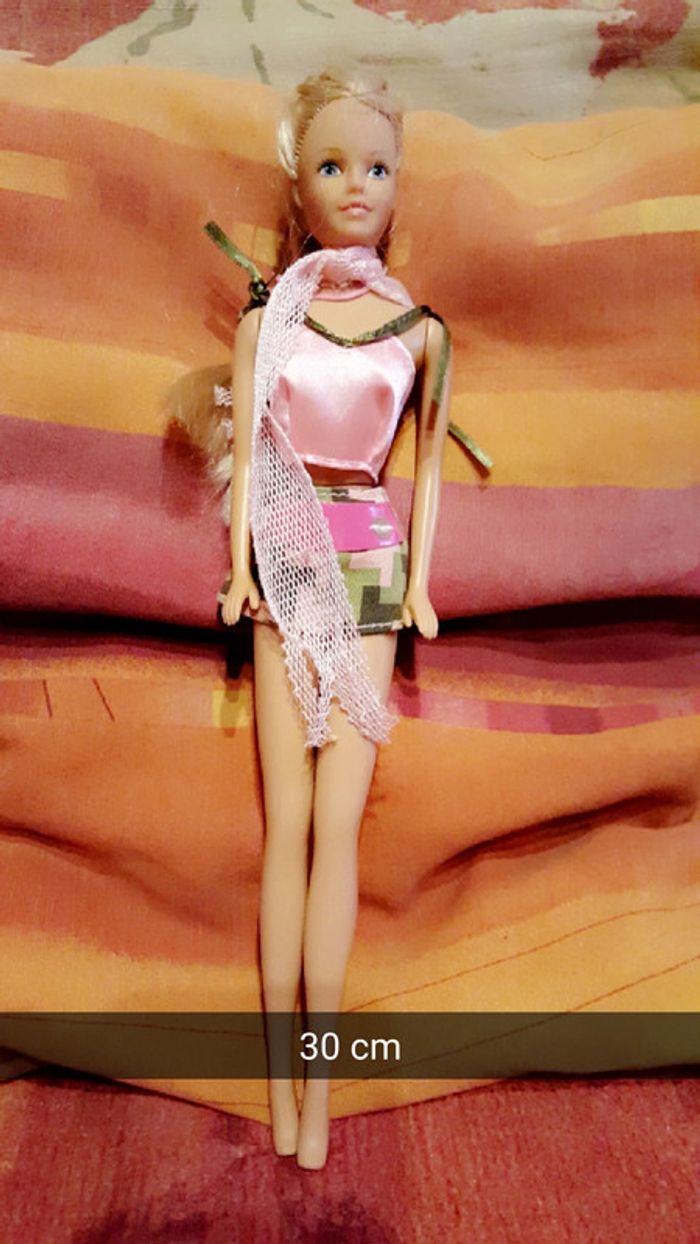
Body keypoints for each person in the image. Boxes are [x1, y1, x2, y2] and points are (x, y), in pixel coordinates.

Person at [197, 65, 490, 1170]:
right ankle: (281, 1086)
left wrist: (420, 583)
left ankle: (316, 1093)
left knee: (338, 827)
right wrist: (238, 569)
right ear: (299, 184)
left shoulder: (422, 331)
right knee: (288, 824)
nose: (356, 185)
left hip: (369, 562)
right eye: (332, 164)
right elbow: (249, 455)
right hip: (283, 554)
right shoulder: (270, 319)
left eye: (375, 165)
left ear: (400, 180)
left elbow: (428, 471)